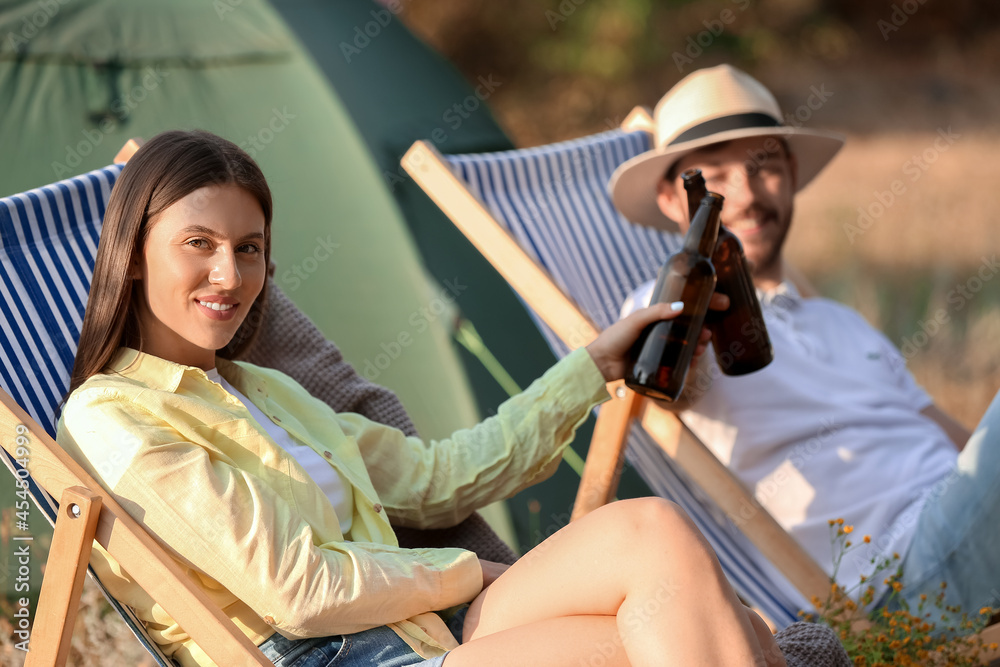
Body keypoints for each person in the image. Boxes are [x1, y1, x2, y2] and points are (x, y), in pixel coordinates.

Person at [56, 129, 785, 667]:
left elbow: (439, 480)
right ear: (133, 252)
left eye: (249, 248)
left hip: (426, 634)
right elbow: (301, 591)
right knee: (695, 636)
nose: (231, 274)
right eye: (198, 242)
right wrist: (467, 572)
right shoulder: (110, 416)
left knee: (668, 549)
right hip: (332, 656)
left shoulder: (265, 391)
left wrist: (594, 364)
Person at [610, 64, 1000, 615]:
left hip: (970, 522)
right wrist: (686, 333)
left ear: (791, 174)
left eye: (764, 165)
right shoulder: (670, 308)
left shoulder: (839, 321)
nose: (745, 196)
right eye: (714, 179)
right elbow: (673, 384)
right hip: (895, 582)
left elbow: (960, 440)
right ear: (674, 202)